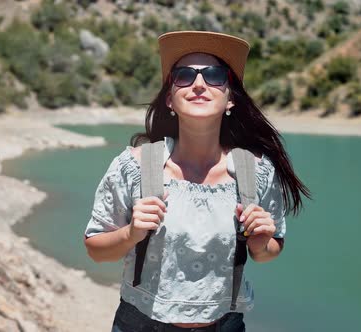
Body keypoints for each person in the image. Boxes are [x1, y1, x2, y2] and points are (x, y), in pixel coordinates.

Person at [84, 31, 310, 332]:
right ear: (170, 99)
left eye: (215, 75)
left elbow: (269, 250)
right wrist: (131, 233)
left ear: (231, 98)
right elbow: (96, 249)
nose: (199, 84)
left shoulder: (255, 171)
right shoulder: (134, 166)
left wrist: (259, 242)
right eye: (185, 75)